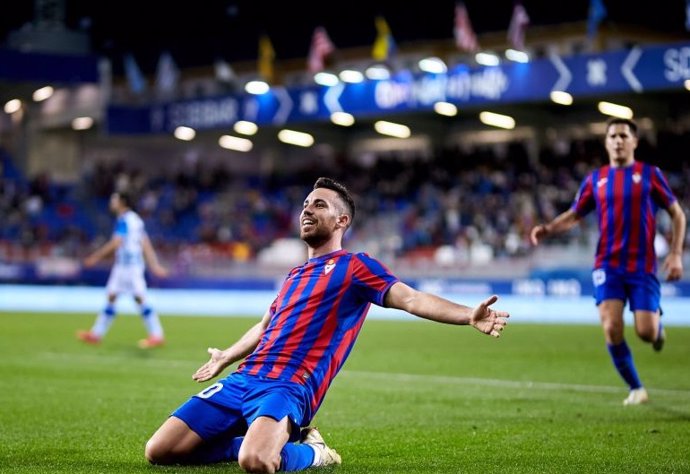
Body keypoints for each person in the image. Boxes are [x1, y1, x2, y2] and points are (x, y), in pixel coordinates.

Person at [144, 177, 510, 473]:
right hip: (245, 378)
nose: (307, 209)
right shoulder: (293, 276)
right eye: (306, 204)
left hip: (290, 386)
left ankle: (315, 453)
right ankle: (250, 439)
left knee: (256, 462)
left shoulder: (356, 267)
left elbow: (411, 298)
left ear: (341, 221)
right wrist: (227, 356)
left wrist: (467, 315)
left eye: (319, 205)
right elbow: (265, 325)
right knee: (159, 450)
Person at [530, 117, 686, 406]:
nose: (618, 140)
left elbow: (678, 214)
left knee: (646, 332)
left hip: (642, 266)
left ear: (634, 142)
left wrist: (676, 252)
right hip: (607, 265)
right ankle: (636, 388)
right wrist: (548, 228)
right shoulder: (596, 179)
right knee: (611, 327)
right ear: (606, 142)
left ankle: (656, 326)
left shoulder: (650, 174)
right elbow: (575, 214)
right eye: (612, 136)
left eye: (624, 136)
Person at [77, 190, 169, 348]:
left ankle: (157, 335)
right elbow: (145, 243)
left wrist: (95, 257)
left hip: (130, 266)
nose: (111, 202)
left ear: (122, 202)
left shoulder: (125, 220)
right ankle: (96, 334)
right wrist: (154, 265)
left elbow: (117, 242)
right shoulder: (136, 220)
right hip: (124, 265)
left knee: (139, 298)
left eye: (114, 199)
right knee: (112, 296)